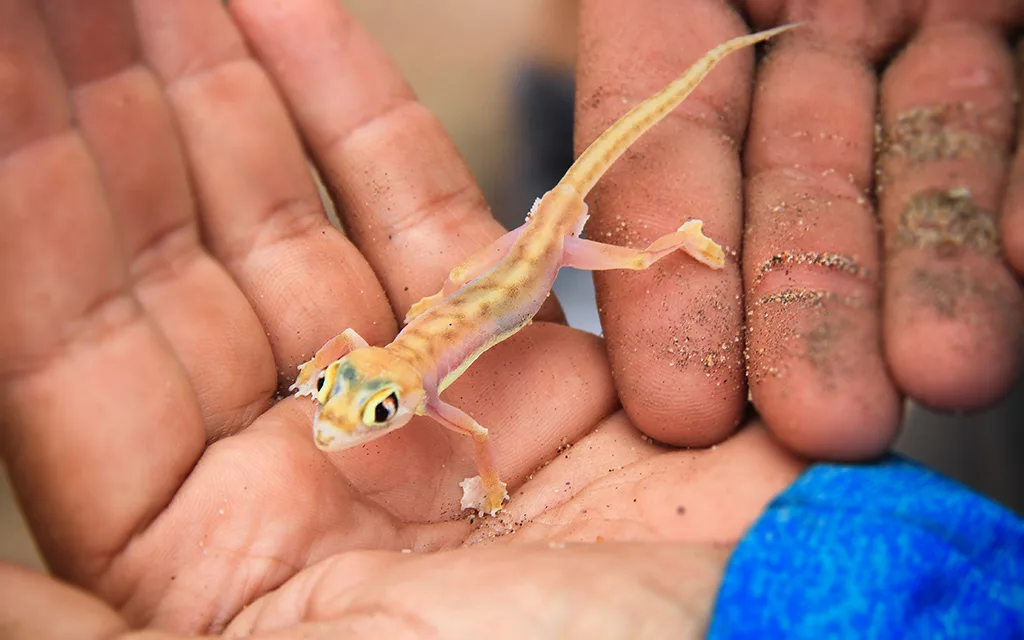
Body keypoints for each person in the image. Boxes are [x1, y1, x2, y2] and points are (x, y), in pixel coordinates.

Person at [0, 0, 1021, 637]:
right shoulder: (385, 362)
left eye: (370, 408)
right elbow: (358, 352)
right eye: (363, 406)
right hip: (505, 259)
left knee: (599, 227)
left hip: (533, 258)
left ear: (408, 390)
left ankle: (672, 242)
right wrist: (326, 376)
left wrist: (485, 483)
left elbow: (477, 434)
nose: (346, 421)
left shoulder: (435, 390)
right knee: (570, 191)